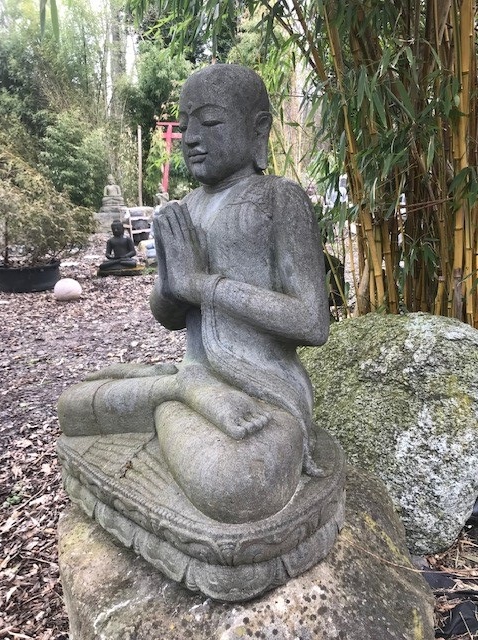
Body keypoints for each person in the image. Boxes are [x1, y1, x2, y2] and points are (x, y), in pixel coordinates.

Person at [58, 64, 330, 523]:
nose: (191, 138)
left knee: (236, 482)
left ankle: (171, 397)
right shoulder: (183, 210)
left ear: (258, 128)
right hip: (196, 371)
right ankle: (183, 389)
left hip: (264, 390)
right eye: (185, 126)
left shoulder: (278, 199)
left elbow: (312, 321)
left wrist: (202, 285)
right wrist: (173, 284)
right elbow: (168, 313)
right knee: (71, 407)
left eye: (211, 121)